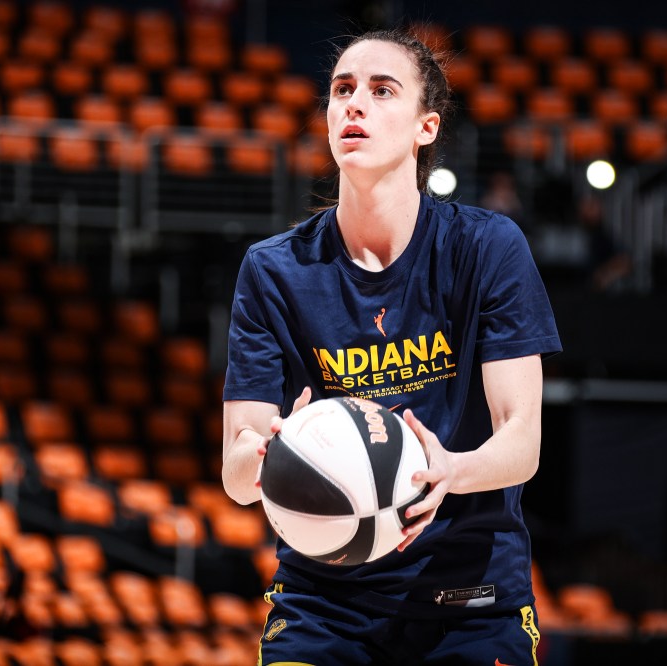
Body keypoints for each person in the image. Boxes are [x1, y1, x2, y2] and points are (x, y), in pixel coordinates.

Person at [222, 27, 561, 665]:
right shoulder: (272, 270)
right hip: (324, 601)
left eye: (382, 91)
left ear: (425, 127)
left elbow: (523, 442)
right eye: (342, 90)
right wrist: (269, 451)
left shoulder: (487, 248)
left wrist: (452, 471)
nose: (355, 103)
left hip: (470, 598)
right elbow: (237, 477)